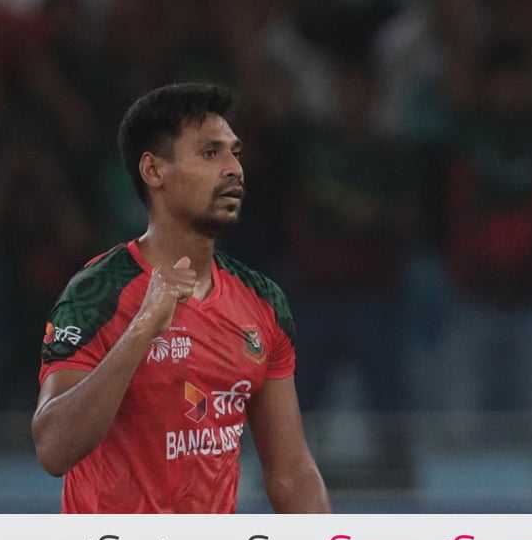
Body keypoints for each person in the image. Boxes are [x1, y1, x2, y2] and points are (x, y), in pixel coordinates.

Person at [33, 83, 330, 513]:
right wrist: (142, 328)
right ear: (154, 171)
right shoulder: (97, 292)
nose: (234, 169)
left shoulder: (262, 301)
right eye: (210, 153)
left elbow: (292, 473)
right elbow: (53, 449)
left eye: (235, 153)